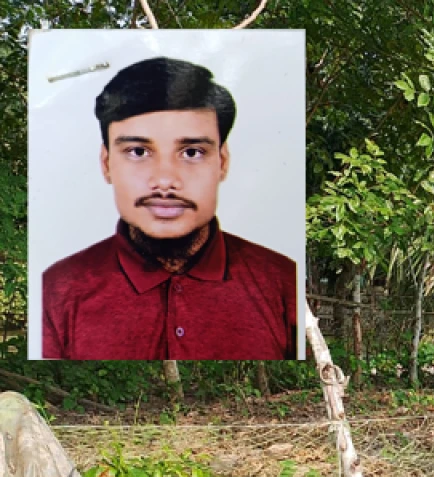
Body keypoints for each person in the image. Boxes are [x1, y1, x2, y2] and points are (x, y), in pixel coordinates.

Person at [42, 57, 297, 360]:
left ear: (222, 162)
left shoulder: (282, 282)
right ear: (107, 163)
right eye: (138, 152)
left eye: (191, 152)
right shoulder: (58, 290)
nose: (164, 181)